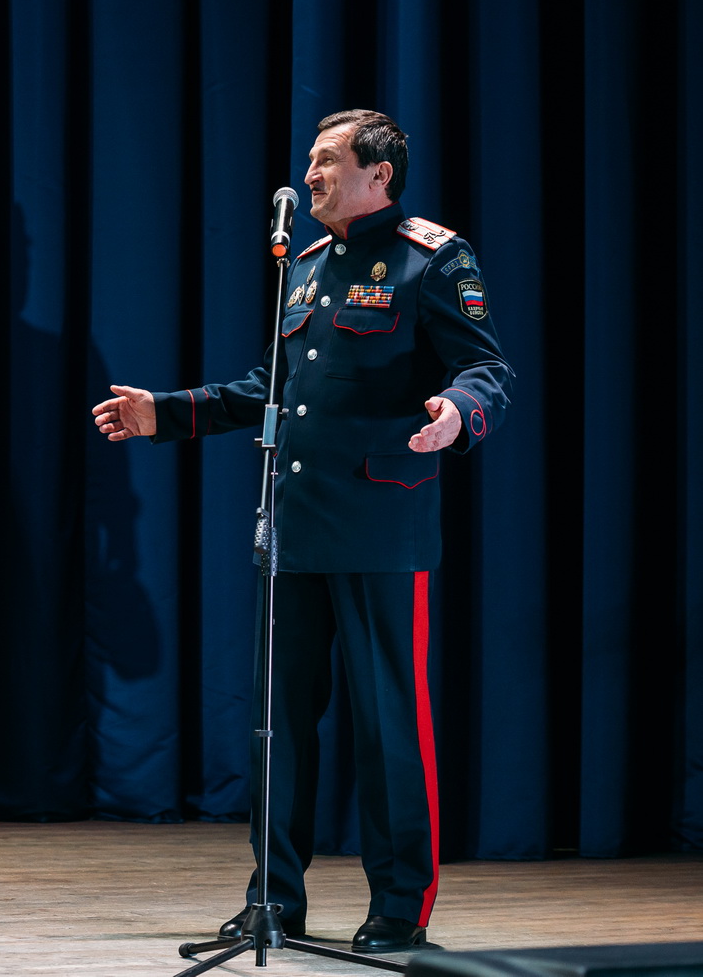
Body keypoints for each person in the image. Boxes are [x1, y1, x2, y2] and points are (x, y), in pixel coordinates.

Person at [92, 110, 512, 953]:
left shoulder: (433, 259)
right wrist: (164, 414)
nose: (310, 175)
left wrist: (456, 413)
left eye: (327, 161)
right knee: (278, 727)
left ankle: (400, 906)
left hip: (383, 530)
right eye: (311, 161)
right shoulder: (308, 265)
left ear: (378, 175)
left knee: (390, 727)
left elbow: (486, 367)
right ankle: (274, 899)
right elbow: (271, 387)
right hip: (295, 530)